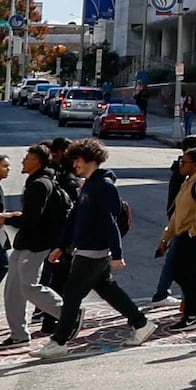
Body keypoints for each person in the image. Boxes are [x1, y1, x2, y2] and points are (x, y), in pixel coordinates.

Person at [52, 141, 147, 343]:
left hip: (93, 249)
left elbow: (109, 221)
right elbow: (74, 217)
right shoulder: (89, 185)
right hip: (86, 247)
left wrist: (117, 254)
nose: (74, 165)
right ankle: (141, 323)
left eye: (78, 160)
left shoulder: (104, 187)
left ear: (91, 160)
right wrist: (61, 246)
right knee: (106, 288)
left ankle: (59, 341)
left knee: (72, 293)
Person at [4, 143, 71, 345]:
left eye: (28, 158)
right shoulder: (37, 181)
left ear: (38, 161)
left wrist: (9, 218)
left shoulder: (40, 184)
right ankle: (19, 334)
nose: (23, 161)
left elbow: (32, 219)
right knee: (13, 290)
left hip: (36, 243)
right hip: (26, 242)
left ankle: (69, 315)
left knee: (28, 286)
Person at [156, 144, 196, 329]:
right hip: (184, 234)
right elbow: (178, 213)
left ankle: (192, 316)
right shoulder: (189, 181)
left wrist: (193, 232)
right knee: (181, 272)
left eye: (184, 162)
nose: (180, 165)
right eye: (180, 161)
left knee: (186, 273)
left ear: (195, 164)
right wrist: (166, 237)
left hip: (195, 236)